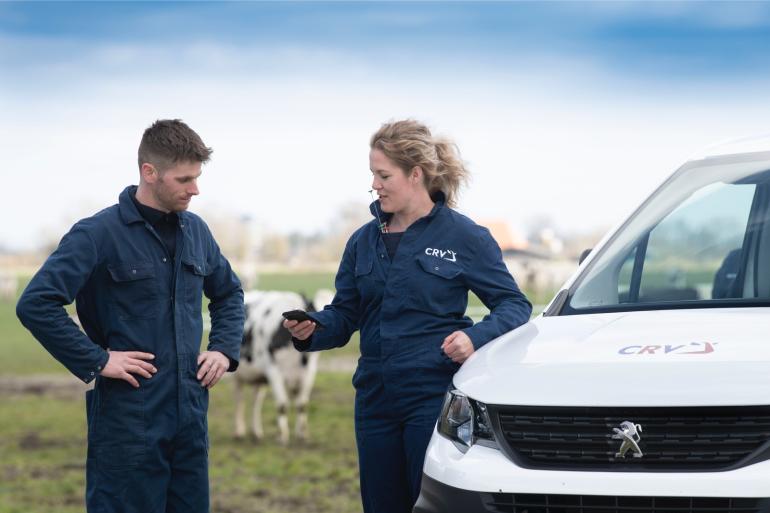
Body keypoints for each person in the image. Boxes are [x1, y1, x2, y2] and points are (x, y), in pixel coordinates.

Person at [284, 119, 532, 513]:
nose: (375, 185)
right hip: (374, 398)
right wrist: (312, 329)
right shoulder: (363, 241)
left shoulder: (464, 237)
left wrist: (476, 338)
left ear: (415, 174)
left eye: (384, 175)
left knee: (428, 504)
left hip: (430, 396)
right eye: (373, 175)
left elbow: (515, 306)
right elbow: (346, 313)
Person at [16, 119, 244, 513]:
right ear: (149, 172)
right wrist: (97, 359)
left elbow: (229, 293)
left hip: (190, 417)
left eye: (197, 177)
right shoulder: (96, 234)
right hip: (127, 420)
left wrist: (222, 349)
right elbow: (36, 303)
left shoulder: (197, 232)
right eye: (184, 179)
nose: (195, 189)